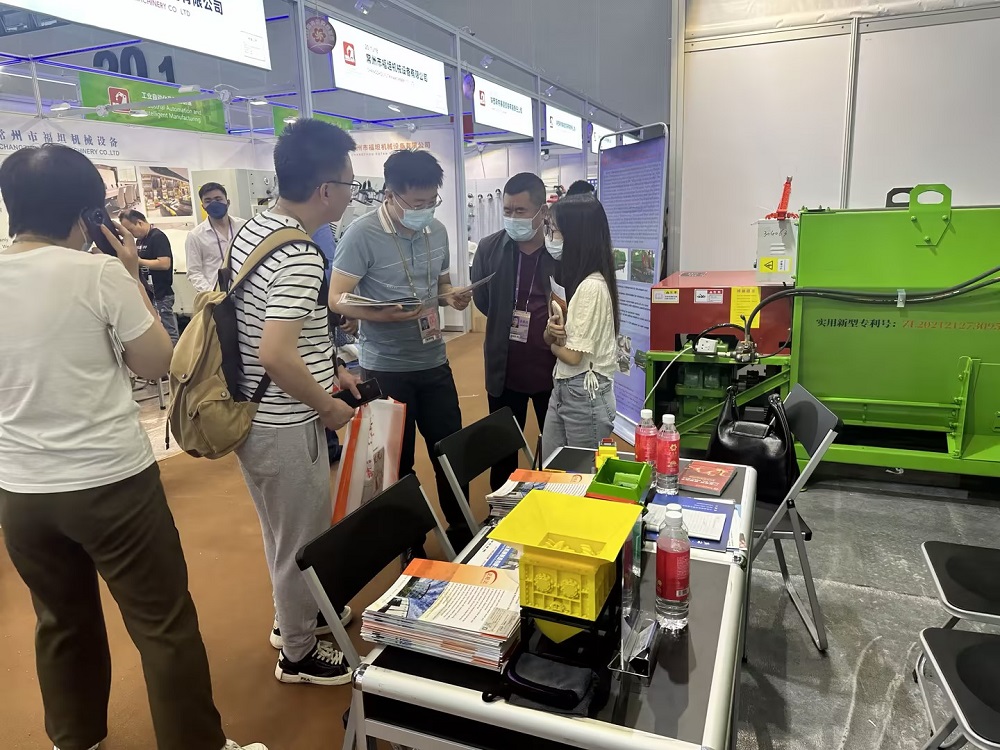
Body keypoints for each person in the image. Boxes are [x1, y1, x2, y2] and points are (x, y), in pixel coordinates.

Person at [0, 144, 265, 750]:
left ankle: (76, 739)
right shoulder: (95, 274)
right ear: (88, 213)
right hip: (110, 482)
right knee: (162, 623)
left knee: (60, 620)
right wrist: (129, 276)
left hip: (21, 491)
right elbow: (157, 362)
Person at [228, 118, 361, 687]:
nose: (352, 193)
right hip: (286, 421)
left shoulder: (255, 229)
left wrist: (331, 364)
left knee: (281, 532)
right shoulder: (302, 255)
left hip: (254, 415)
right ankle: (299, 653)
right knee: (300, 538)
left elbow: (280, 330)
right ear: (325, 189)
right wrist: (326, 406)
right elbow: (276, 352)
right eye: (351, 183)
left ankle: (296, 618)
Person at [329, 149, 474, 550]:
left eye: (431, 201)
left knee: (450, 450)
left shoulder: (436, 231)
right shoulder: (361, 234)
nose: (425, 210)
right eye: (416, 203)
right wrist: (380, 314)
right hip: (386, 368)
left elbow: (440, 285)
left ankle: (463, 530)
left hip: (434, 360)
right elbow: (337, 298)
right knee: (398, 461)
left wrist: (451, 295)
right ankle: (409, 543)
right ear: (390, 195)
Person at [471, 172, 559, 487]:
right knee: (503, 451)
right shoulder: (490, 248)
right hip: (504, 369)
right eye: (507, 210)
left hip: (552, 369)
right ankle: (500, 507)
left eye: (520, 211)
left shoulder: (558, 251)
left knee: (557, 451)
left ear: (542, 212)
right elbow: (483, 300)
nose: (512, 217)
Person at [541, 196, 621, 460]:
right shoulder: (571, 278)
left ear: (575, 236)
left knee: (582, 473)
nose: (550, 237)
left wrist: (554, 345)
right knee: (553, 469)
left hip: (585, 393)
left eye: (555, 230)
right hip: (565, 387)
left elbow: (573, 356)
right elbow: (550, 337)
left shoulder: (591, 287)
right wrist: (552, 333)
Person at [119, 209, 179, 344]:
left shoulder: (157, 237)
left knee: (169, 332)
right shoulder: (140, 241)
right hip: (150, 294)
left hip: (161, 294)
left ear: (139, 222)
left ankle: (177, 355)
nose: (131, 234)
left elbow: (164, 263)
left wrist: (137, 261)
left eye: (130, 230)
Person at [185, 182, 247, 293]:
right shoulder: (195, 236)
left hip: (246, 291)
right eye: (208, 201)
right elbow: (194, 272)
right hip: (216, 295)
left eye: (218, 199)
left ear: (228, 202)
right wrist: (211, 293)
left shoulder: (244, 227)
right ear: (203, 206)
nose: (214, 204)